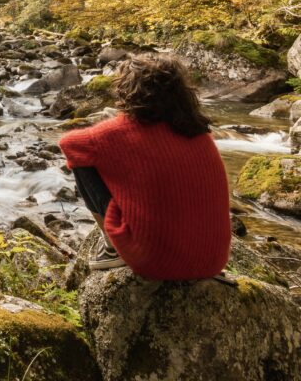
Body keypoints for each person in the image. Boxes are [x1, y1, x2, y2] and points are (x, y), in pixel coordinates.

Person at [59, 54, 232, 280]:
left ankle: (112, 246)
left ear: (129, 90)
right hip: (213, 261)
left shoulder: (120, 131)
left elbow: (68, 144)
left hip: (154, 261)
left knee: (83, 164)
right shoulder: (198, 131)